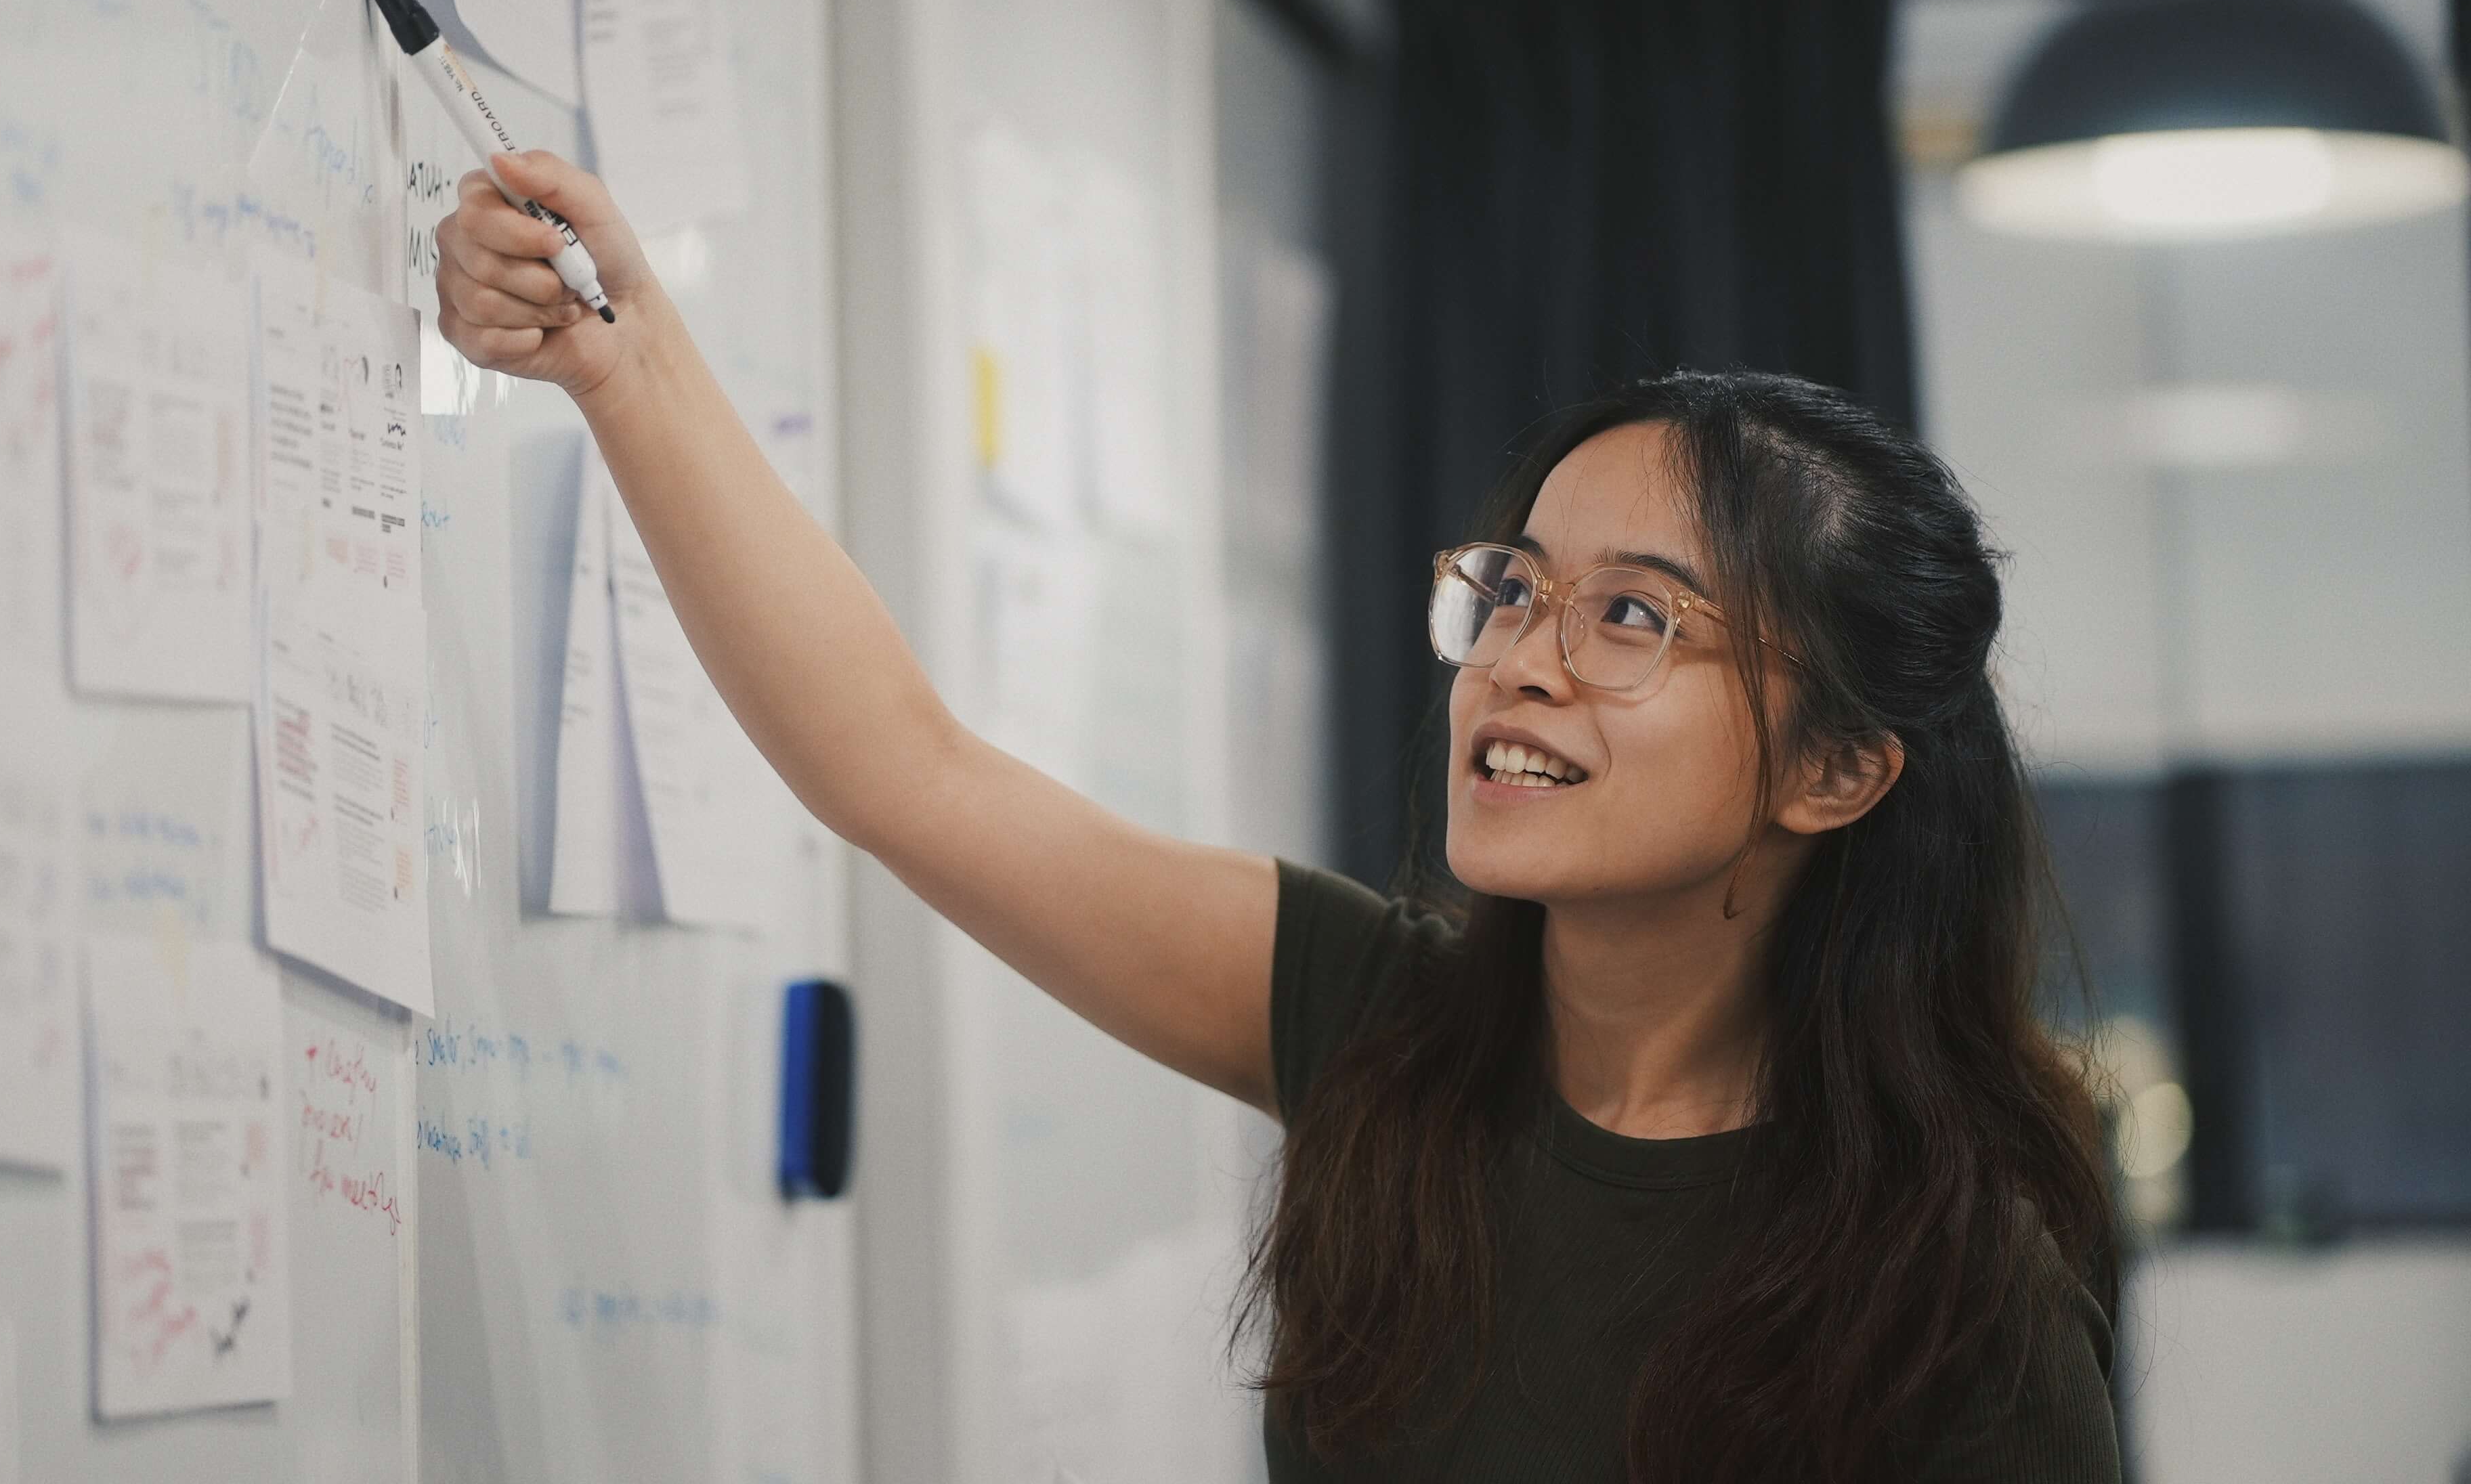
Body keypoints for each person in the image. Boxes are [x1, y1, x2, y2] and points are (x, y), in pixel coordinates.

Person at [433, 149, 2123, 1484]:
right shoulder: (1373, 1022)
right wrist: (624, 357)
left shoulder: (1955, 1292)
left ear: (1834, 771)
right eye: (1517, 587)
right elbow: (900, 770)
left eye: (1631, 619)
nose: (1520, 662)